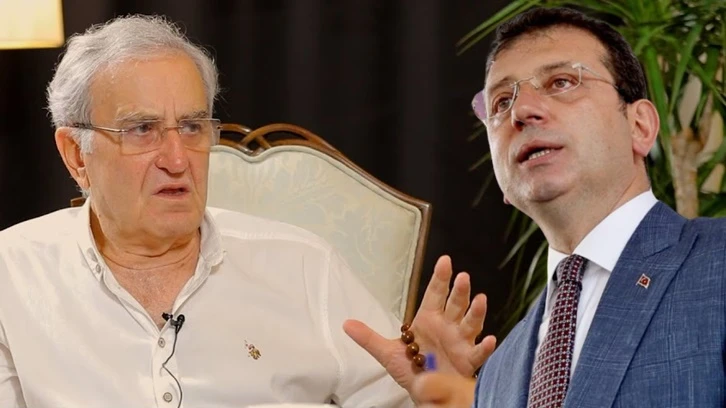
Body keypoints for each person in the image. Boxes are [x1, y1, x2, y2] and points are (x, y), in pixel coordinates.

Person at [0, 15, 493, 408]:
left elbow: (417, 387)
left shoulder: (303, 267)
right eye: (142, 130)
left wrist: (443, 388)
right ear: (75, 155)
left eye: (192, 127)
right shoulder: (13, 275)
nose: (177, 159)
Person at [385, 6, 726, 408]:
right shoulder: (500, 370)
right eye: (501, 102)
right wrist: (443, 389)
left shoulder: (716, 264)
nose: (521, 112)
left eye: (561, 82)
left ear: (639, 126)